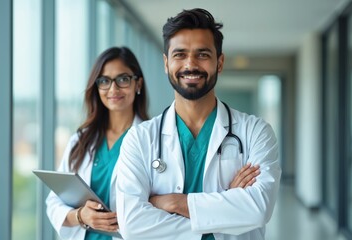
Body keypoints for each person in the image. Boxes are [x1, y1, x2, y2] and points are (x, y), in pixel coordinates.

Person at [115, 8, 281, 240]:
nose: (190, 64)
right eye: (180, 54)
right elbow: (132, 224)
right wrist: (227, 207)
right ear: (166, 63)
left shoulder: (255, 132)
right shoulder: (140, 139)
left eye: (202, 54)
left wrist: (174, 203)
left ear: (219, 62)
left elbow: (259, 208)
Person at [46, 46, 149, 240]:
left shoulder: (152, 140)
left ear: (138, 84)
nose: (113, 89)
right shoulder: (81, 139)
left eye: (123, 79)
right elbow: (53, 203)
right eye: (104, 81)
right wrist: (80, 216)